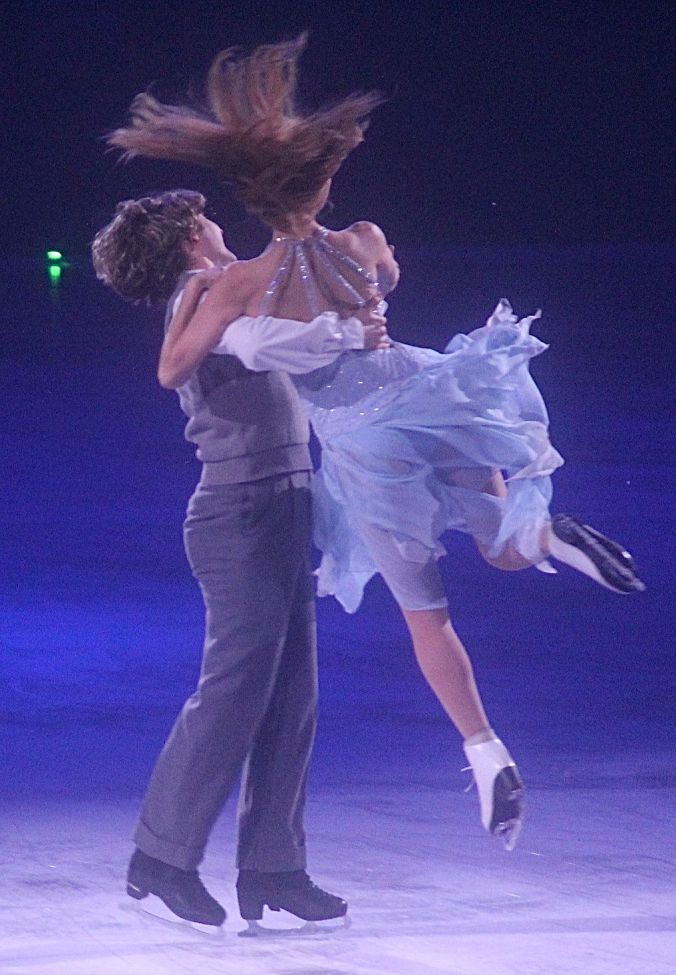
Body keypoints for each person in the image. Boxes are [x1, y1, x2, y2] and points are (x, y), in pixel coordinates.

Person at [106, 35, 644, 852]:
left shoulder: (237, 284)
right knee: (506, 544)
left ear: (253, 197)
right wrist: (353, 314)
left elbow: (176, 363)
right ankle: (549, 534)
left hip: (363, 444)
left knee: (428, 616)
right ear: (323, 180)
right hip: (427, 390)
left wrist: (225, 314)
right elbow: (385, 281)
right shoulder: (361, 238)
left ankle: (486, 750)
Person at [91, 188, 389, 928]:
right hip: (239, 510)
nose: (219, 222)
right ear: (194, 234)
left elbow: (278, 334)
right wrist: (348, 338)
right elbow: (261, 347)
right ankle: (160, 855)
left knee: (292, 694)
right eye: (208, 217)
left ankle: (274, 868)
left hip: (280, 502)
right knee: (233, 691)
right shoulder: (202, 293)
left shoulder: (226, 292)